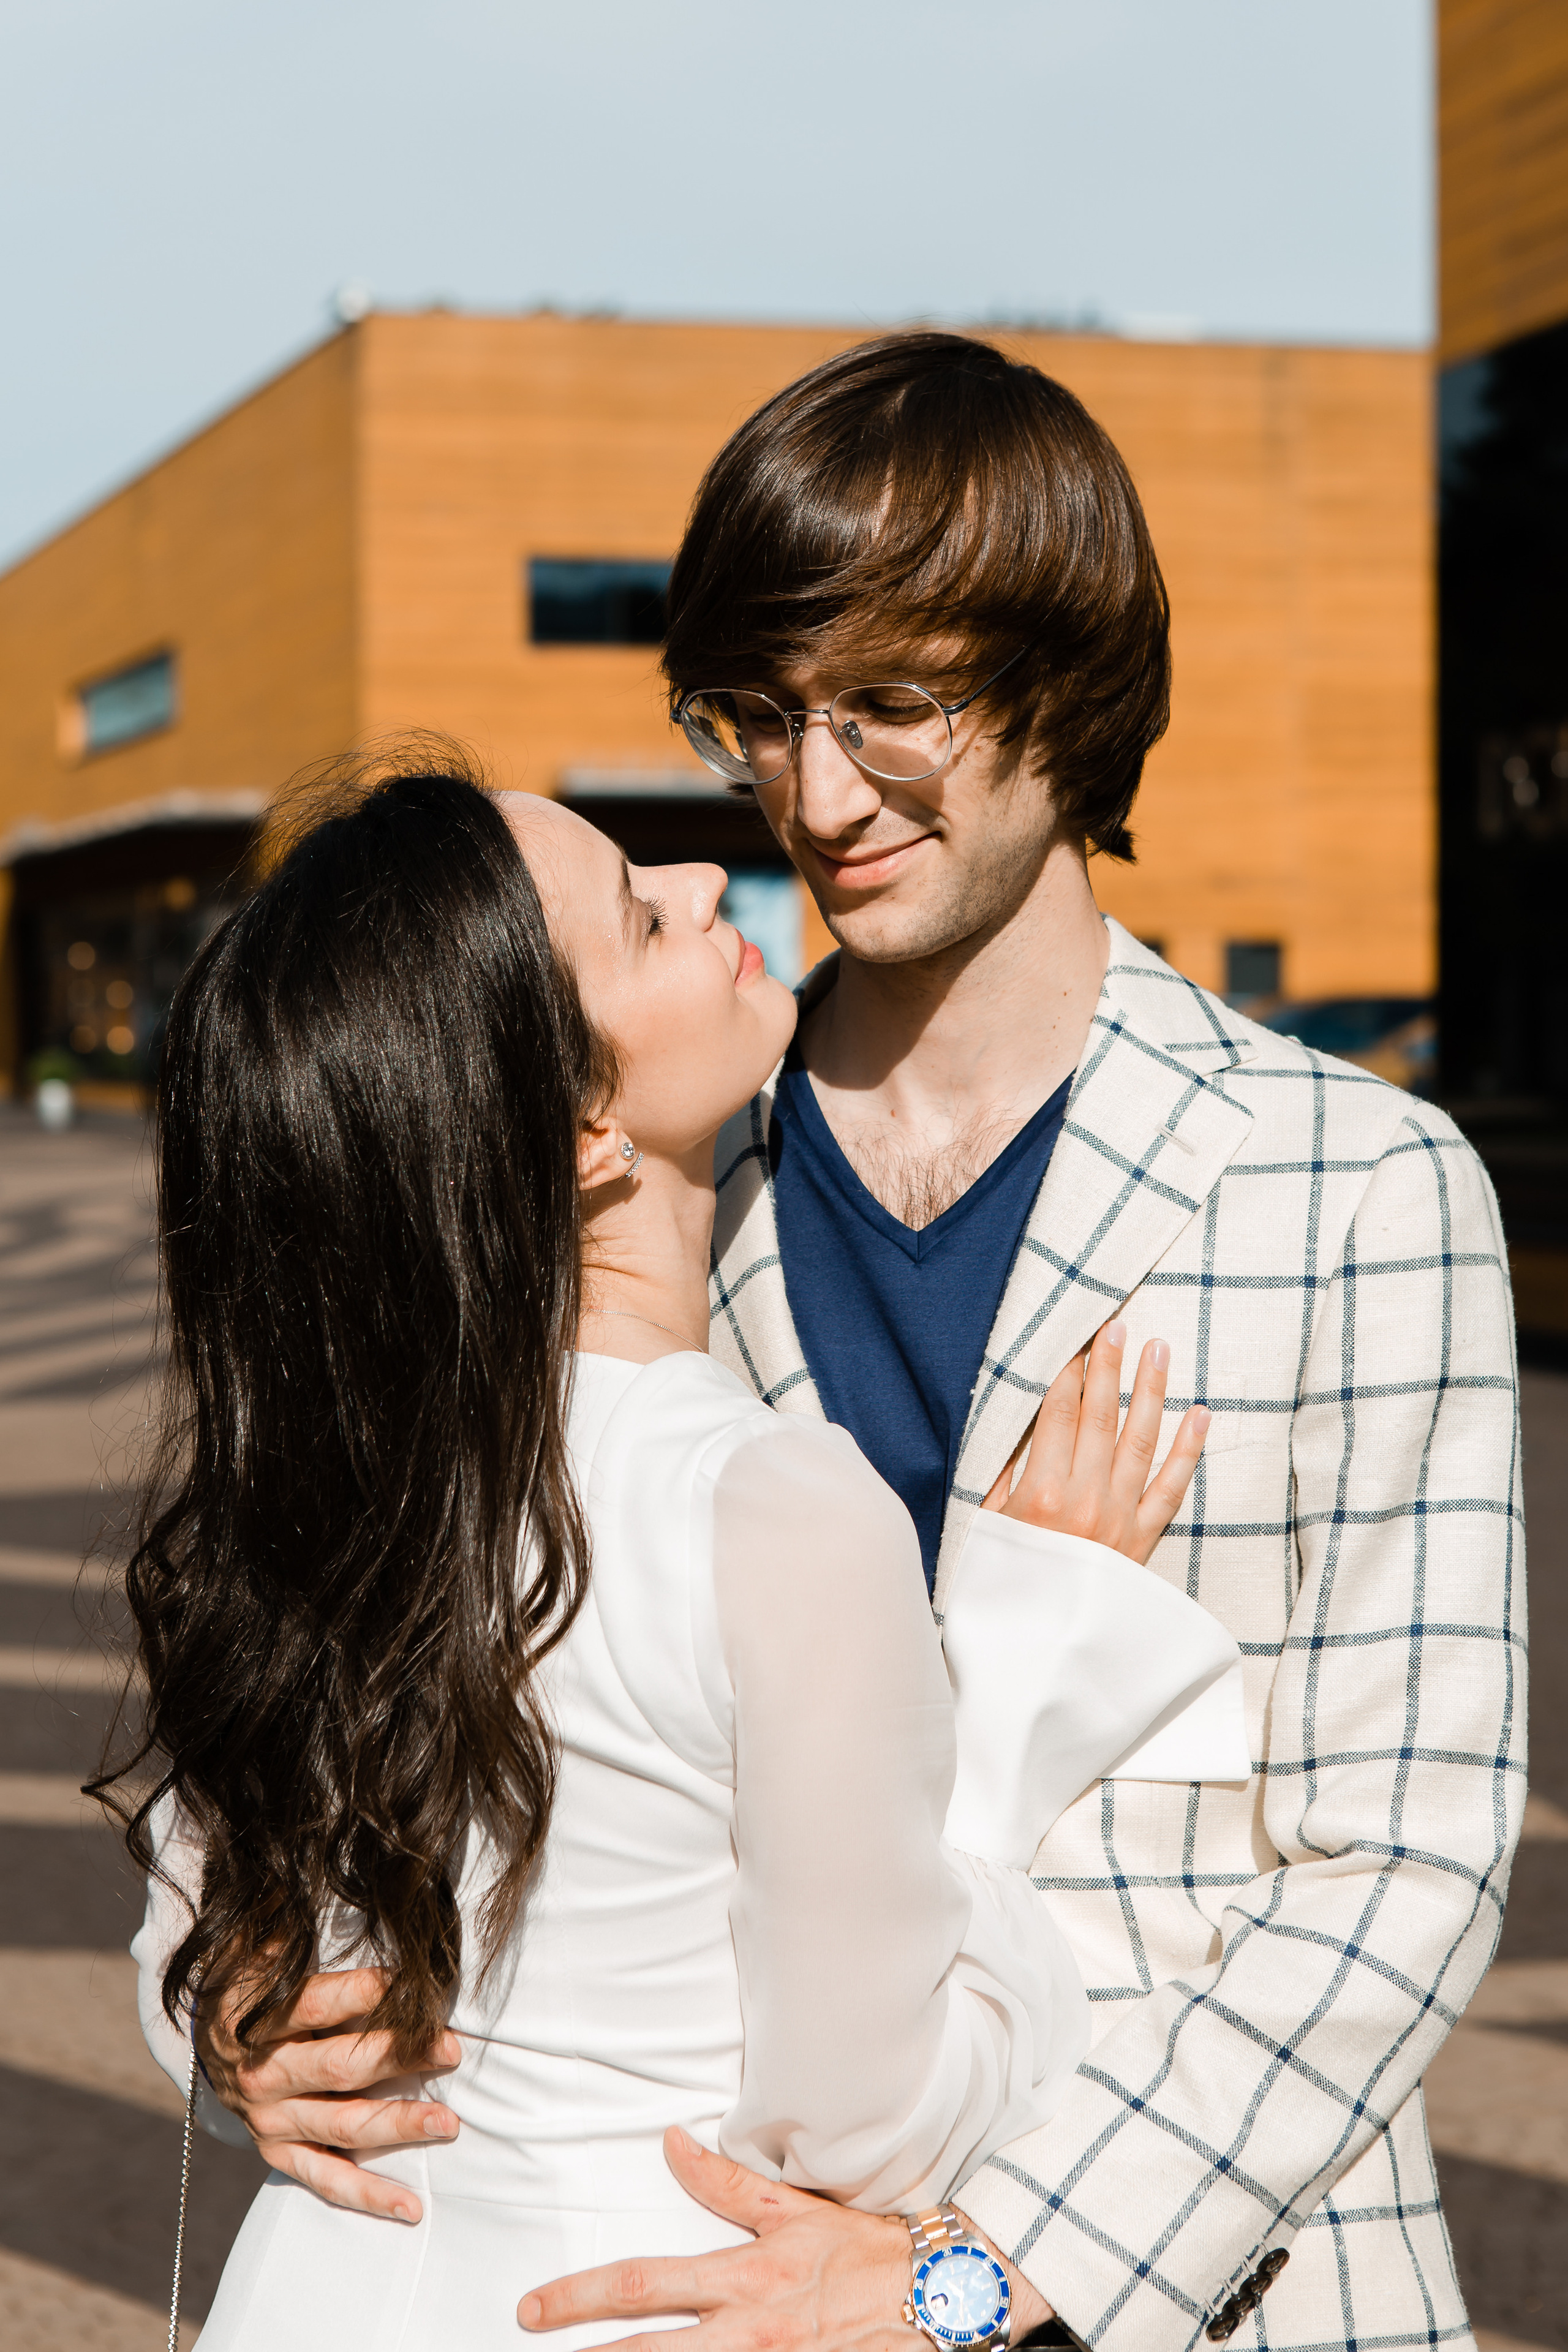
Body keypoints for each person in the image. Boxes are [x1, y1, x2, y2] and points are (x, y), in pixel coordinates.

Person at [169, 336, 1526, 2351]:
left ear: (1067, 680)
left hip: (1213, 2297)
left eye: (889, 708)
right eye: (761, 717)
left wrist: (982, 2279)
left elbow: (1405, 1863)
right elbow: (331, 1633)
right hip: (698, 2282)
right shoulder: (648, 1175)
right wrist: (233, 1993)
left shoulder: (1357, 1186)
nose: (810, 797)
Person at [114, 758, 1241, 2352]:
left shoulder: (327, 1476)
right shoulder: (767, 1500)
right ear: (579, 1131)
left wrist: (231, 2053)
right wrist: (1017, 1673)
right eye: (647, 919)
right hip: (643, 2303)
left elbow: (207, 1932)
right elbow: (870, 2124)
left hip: (306, 2291)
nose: (717, 888)